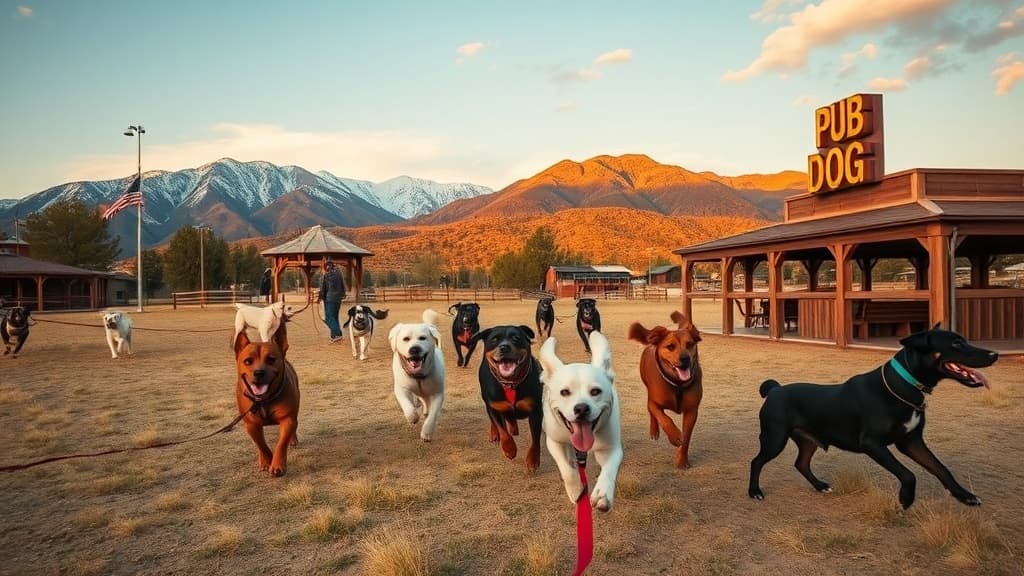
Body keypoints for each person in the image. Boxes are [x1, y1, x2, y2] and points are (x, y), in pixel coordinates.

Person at [317, 260, 346, 343]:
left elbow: (323, 289)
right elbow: (343, 285)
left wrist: (320, 298)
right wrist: (343, 294)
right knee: (335, 318)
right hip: (338, 299)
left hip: (329, 299)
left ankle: (338, 334)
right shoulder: (339, 274)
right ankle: (334, 337)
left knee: (329, 318)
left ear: (326, 267)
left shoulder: (326, 276)